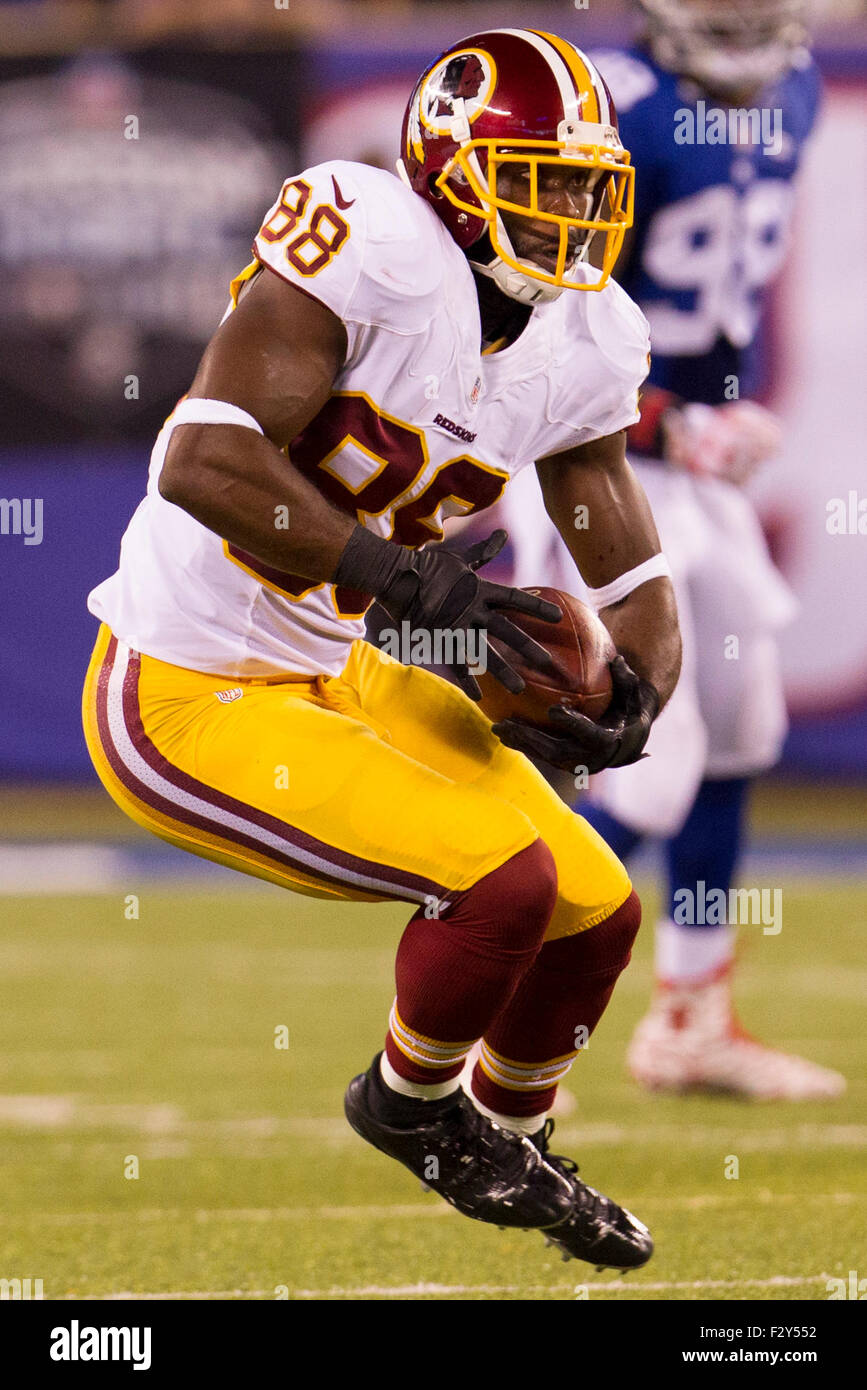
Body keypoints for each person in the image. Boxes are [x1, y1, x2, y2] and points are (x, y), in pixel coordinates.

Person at [81, 29, 682, 1268]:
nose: (568, 208)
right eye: (540, 176)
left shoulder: (588, 335)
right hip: (189, 681)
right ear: (455, 167)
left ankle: (506, 1134)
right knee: (502, 883)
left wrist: (639, 684)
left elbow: (617, 534)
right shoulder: (371, 240)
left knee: (598, 908)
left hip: (343, 662)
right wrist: (400, 578)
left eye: (585, 184)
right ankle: (409, 1110)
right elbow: (203, 457)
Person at [497, 1, 844, 1099]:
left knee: (737, 722)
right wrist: (659, 418)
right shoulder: (609, 108)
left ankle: (693, 1015)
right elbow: (538, 306)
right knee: (636, 745)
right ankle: (491, 998)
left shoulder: (795, 96)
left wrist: (726, 412)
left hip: (691, 469)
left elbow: (727, 315)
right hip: (588, 459)